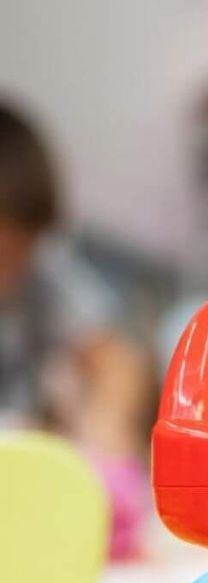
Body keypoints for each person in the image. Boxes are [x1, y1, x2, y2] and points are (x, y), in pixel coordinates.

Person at [0, 99, 150, 559]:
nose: (11, 269)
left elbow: (118, 361)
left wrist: (106, 440)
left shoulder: (41, 274)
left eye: (20, 250)